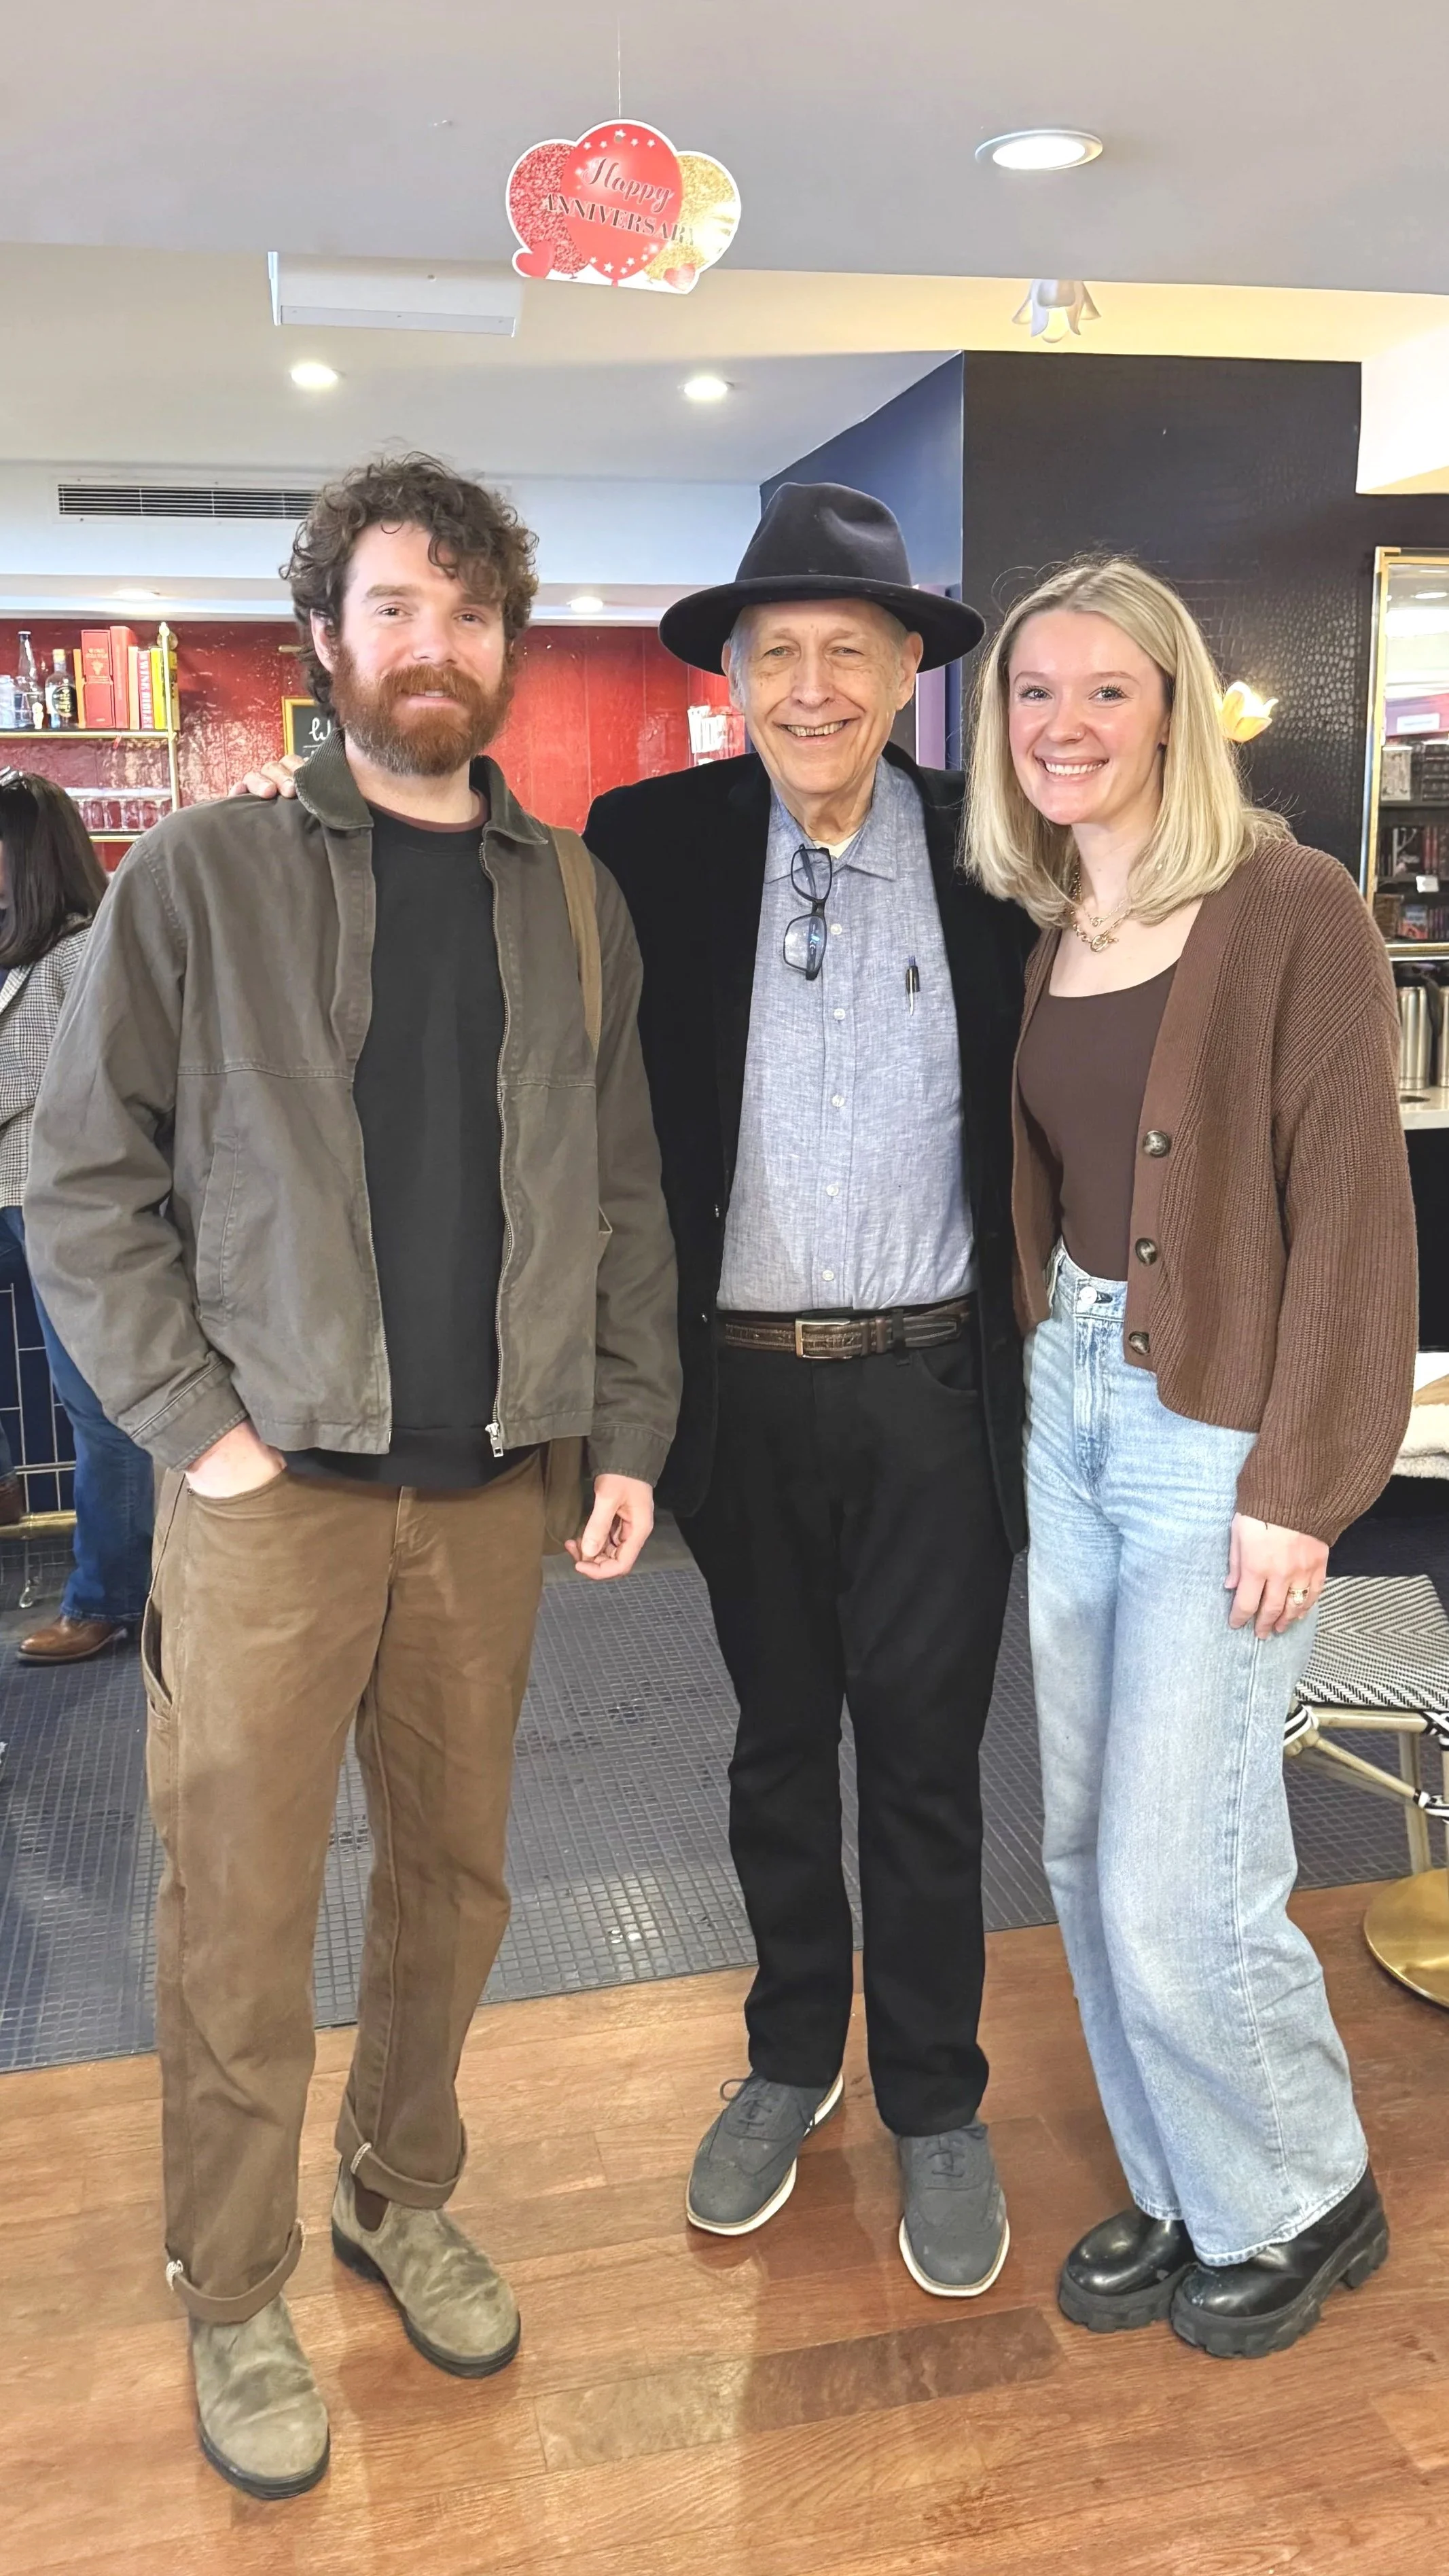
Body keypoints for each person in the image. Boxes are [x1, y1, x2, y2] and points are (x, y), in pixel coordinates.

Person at [25, 454, 680, 2501]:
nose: (435, 648)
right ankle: (231, 2289)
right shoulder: (201, 882)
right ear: (328, 635)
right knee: (234, 1904)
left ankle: (399, 2191)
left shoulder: (571, 896)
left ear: (502, 646)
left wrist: (627, 1428)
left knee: (457, 1879)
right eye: (396, 608)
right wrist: (193, 1427)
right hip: (269, 1503)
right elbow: (77, 1172)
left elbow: (629, 1197)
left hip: (491, 1493)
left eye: (472, 615)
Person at [965, 555, 1416, 2359]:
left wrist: (1301, 1488)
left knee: (1186, 1859)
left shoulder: (1289, 906)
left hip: (1214, 1431)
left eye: (1104, 692)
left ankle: (1302, 2195)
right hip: (1066, 1400)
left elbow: (1358, 1227)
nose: (1063, 726)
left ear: (1171, 710)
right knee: (1080, 1846)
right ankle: (1174, 2181)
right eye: (1031, 695)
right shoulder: (1053, 915)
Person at [589, 486, 1035, 2295]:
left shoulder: (998, 853)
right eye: (775, 654)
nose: (810, 684)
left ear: (911, 668)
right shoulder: (648, 845)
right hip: (742, 1394)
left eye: (847, 650)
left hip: (936, 1388)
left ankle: (935, 2097)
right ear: (735, 680)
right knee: (776, 1750)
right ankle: (789, 2059)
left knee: (929, 1769)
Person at [0, 769, 154, 1654]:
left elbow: (45, 1080)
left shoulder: (80, 949)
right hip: (18, 1203)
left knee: (98, 1410)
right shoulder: (21, 950)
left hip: (63, 1204)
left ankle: (106, 1600)